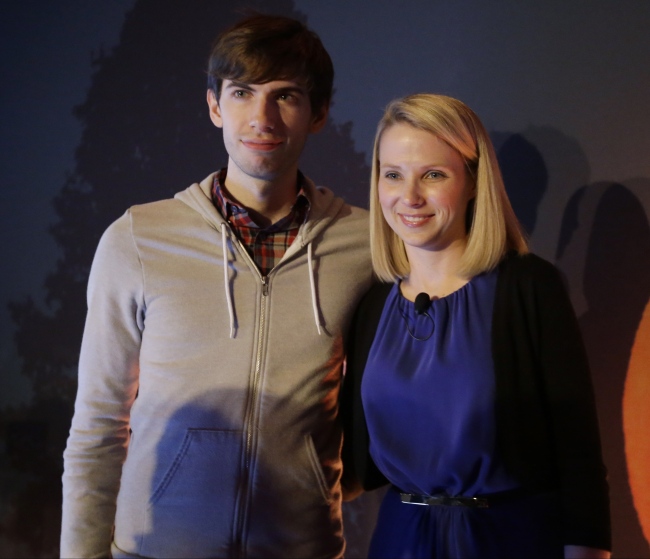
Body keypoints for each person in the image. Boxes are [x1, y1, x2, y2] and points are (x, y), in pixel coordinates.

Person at [61, 14, 373, 558]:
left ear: (319, 113)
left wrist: (322, 487)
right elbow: (97, 426)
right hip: (155, 550)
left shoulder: (366, 245)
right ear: (214, 106)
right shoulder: (137, 239)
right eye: (243, 92)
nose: (262, 117)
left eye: (287, 96)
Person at [340, 93, 611, 558]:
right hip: (400, 541)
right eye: (393, 175)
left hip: (511, 540)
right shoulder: (372, 303)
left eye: (433, 175)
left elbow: (578, 449)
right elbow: (352, 464)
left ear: (472, 181)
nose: (409, 196)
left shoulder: (529, 287)